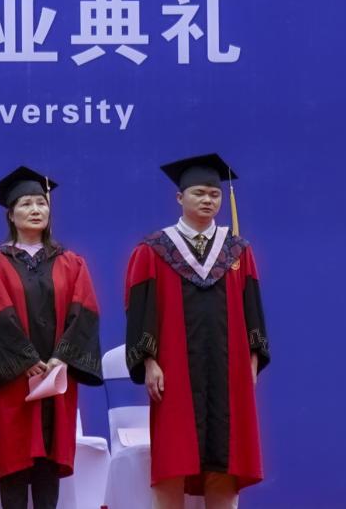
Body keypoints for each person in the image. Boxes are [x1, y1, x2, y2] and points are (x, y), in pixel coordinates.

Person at [124, 154, 269, 508]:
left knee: (226, 458)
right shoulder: (155, 250)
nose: (208, 200)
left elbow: (252, 309)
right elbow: (140, 311)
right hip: (173, 369)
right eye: (199, 193)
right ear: (180, 198)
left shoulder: (237, 251)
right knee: (174, 456)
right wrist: (149, 361)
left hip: (228, 370)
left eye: (214, 194)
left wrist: (253, 358)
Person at [0, 167, 102, 509]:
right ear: (11, 215)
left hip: (55, 381)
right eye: (26, 204)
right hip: (13, 384)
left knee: (47, 471)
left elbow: (84, 311)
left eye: (41, 203)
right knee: (13, 470)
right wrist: (26, 359)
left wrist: (61, 357)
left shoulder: (71, 262)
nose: (36, 209)